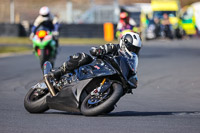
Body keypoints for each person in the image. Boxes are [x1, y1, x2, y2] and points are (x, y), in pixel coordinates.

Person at [50, 32, 142, 91]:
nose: (133, 51)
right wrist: (98, 50)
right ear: (124, 42)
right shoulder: (114, 47)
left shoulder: (130, 60)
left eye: (136, 49)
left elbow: (132, 71)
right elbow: (99, 49)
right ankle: (59, 71)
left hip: (111, 76)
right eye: (132, 48)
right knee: (83, 57)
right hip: (97, 67)